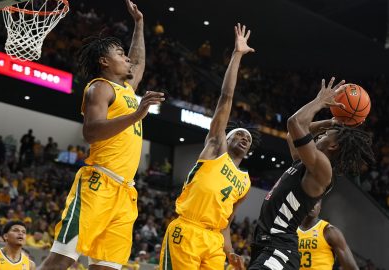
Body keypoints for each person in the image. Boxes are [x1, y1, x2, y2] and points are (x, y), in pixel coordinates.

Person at [39, 1, 164, 270]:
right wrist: (135, 115)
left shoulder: (128, 89)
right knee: (61, 259)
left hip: (126, 193)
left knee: (107, 267)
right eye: (120, 54)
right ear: (104, 61)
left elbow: (139, 61)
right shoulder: (100, 88)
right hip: (99, 183)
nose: (127, 58)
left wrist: (140, 24)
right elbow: (91, 132)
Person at [159, 24, 259, 270]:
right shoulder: (216, 148)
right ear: (225, 136)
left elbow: (226, 222)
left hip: (214, 242)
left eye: (248, 138)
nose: (244, 138)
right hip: (188, 230)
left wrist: (231, 251)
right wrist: (237, 55)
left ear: (249, 151)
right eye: (238, 133)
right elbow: (226, 97)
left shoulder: (245, 183)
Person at [248, 78, 375, 270]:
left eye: (324, 135)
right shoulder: (305, 162)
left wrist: (321, 101)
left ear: (333, 145)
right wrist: (331, 122)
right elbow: (292, 134)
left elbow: (295, 123)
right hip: (267, 246)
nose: (319, 134)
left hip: (279, 250)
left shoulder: (322, 168)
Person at [297, 200, 359, 270]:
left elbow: (351, 267)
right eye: (310, 200)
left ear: (320, 207)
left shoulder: (330, 232)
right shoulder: (290, 229)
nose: (313, 204)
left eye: (316, 202)